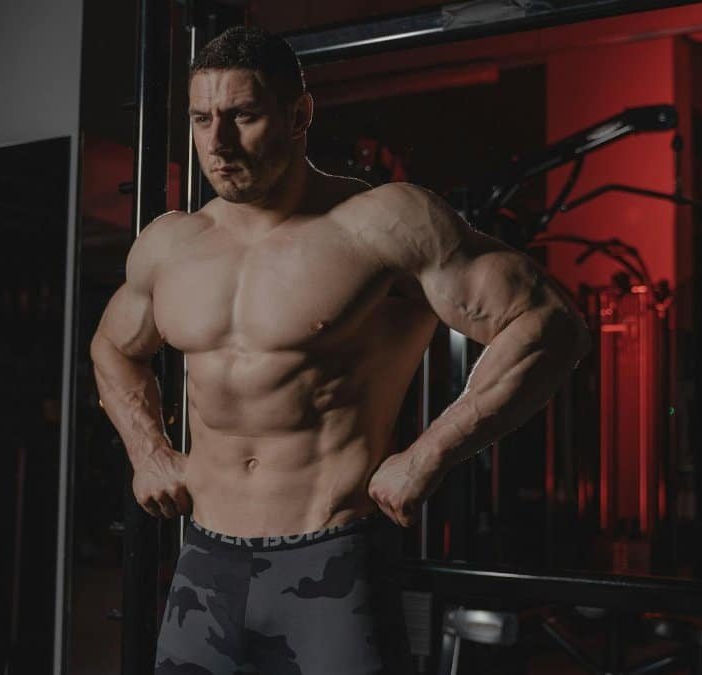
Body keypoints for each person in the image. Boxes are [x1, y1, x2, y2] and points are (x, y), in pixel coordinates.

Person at [90, 25, 591, 675]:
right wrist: (149, 452)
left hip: (331, 562)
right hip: (205, 564)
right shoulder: (169, 244)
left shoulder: (382, 224)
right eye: (202, 119)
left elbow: (548, 323)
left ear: (300, 115)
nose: (218, 142)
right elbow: (113, 345)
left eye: (243, 115)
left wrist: (429, 454)